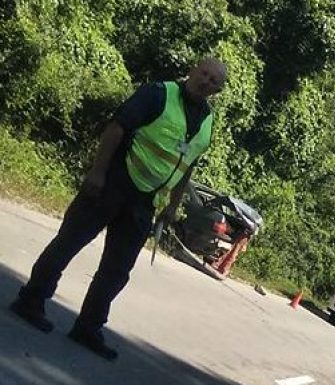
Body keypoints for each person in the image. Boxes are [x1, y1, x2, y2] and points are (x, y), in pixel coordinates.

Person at [10, 57, 228, 361]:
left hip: (145, 201)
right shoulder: (158, 94)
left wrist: (172, 205)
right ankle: (31, 300)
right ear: (193, 70)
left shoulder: (206, 121)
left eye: (214, 81)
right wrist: (98, 172)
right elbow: (116, 128)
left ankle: (88, 327)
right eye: (204, 73)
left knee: (117, 269)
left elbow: (187, 165)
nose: (206, 81)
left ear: (218, 90)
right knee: (69, 242)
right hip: (113, 181)